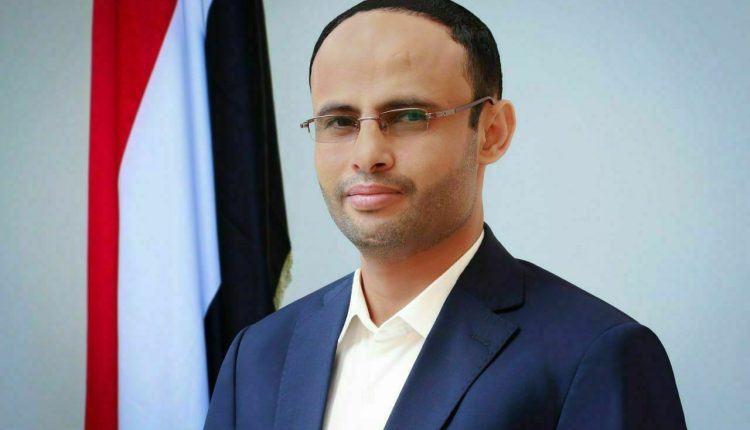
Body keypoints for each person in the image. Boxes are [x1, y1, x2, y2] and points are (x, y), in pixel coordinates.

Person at [204, 1, 687, 428]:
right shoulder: (257, 354)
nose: (367, 154)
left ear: (492, 132)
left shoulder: (593, 354)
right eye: (340, 122)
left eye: (409, 116)